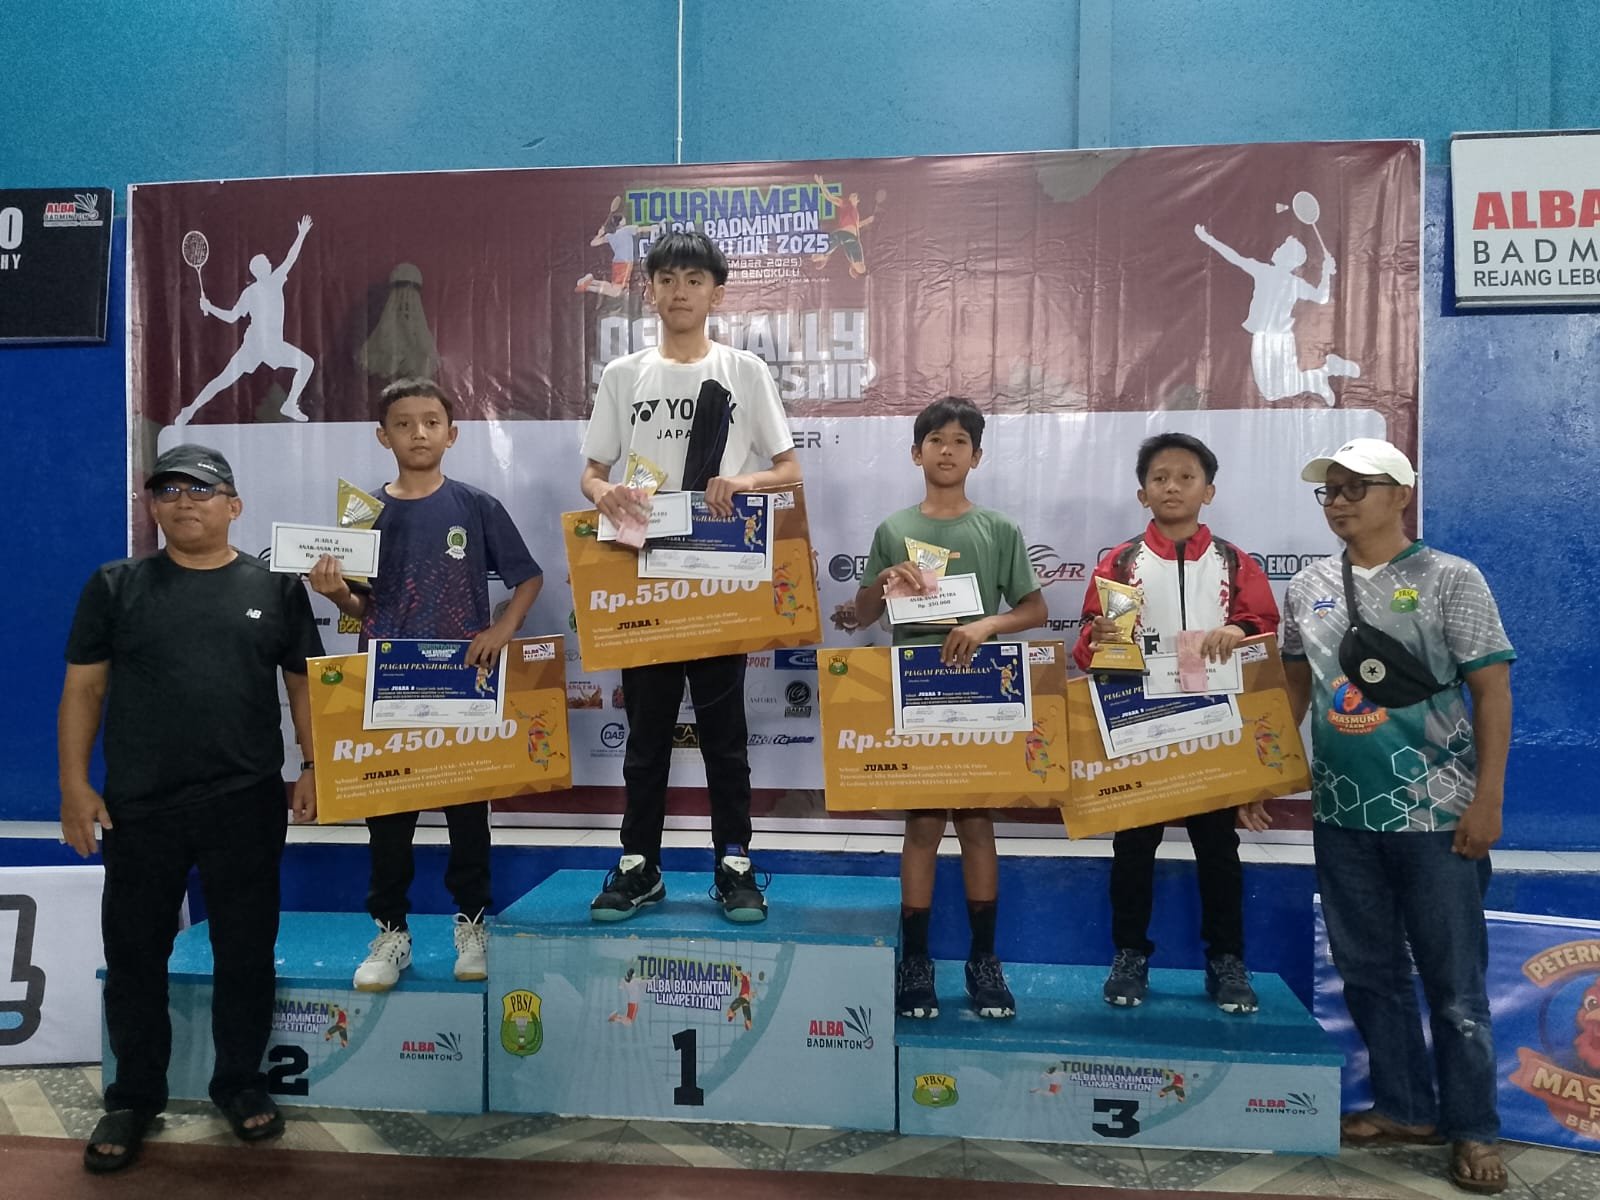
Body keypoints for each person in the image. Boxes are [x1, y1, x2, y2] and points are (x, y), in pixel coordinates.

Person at [58, 444, 322, 1173]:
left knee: (246, 950)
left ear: (234, 505)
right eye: (168, 491)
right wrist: (75, 786)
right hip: (139, 808)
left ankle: (239, 1083)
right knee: (135, 955)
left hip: (245, 801)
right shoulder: (115, 586)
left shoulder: (276, 588)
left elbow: (304, 685)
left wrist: (314, 766)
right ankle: (134, 1096)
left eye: (200, 490)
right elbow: (84, 688)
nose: (183, 502)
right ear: (152, 506)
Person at [1277, 437, 1513, 1196]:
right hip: (1343, 815)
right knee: (1369, 973)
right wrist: (1268, 771)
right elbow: (1292, 685)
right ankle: (1406, 1109)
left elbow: (1492, 691)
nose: (1339, 502)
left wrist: (1488, 799)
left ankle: (1474, 1127)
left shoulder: (1452, 578)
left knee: (1456, 987)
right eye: (1330, 490)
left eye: (1357, 487)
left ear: (1401, 495)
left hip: (1439, 817)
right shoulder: (1308, 586)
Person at [580, 230, 801, 923]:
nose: (680, 291)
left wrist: (742, 481)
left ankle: (734, 862)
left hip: (718, 580)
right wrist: (604, 494)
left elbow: (789, 470)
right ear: (650, 290)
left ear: (716, 293)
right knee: (645, 737)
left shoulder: (743, 371)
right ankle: (638, 864)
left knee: (724, 736)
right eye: (668, 279)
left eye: (694, 280)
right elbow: (592, 472)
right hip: (644, 573)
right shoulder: (624, 375)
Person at [310, 378, 543, 990]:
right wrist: (336, 594)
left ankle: (473, 926)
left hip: (463, 683)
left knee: (468, 818)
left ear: (452, 434)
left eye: (431, 422)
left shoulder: (476, 506)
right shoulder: (362, 513)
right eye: (404, 423)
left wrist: (502, 629)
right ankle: (391, 934)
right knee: (388, 822)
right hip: (387, 684)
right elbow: (360, 604)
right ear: (382, 435)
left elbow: (528, 578)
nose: (419, 433)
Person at [1072, 433, 1279, 1014]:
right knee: (1133, 847)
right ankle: (1129, 954)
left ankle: (1226, 960)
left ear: (1208, 491)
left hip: (1216, 726)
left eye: (1186, 477)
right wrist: (1106, 639)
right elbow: (1088, 648)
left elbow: (1264, 630)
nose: (1172, 487)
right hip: (1141, 726)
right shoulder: (1120, 564)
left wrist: (1238, 631)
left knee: (1219, 849)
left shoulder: (1234, 562)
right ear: (1143, 492)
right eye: (1160, 478)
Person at [854, 397, 1046, 1019]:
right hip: (915, 693)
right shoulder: (893, 529)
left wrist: (988, 624)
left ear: (977, 456)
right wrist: (884, 583)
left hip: (982, 693)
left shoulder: (998, 529)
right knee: (922, 828)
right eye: (936, 439)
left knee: (977, 826)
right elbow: (862, 614)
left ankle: (984, 960)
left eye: (960, 441)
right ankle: (916, 961)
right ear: (917, 453)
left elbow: (1034, 610)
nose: (947, 449)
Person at [1193, 222, 1360, 406]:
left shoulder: (1271, 274)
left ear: (1288, 258)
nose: (1276, 249)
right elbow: (1321, 297)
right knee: (1272, 393)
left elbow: (1235, 257)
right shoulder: (1280, 277)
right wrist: (1326, 273)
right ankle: (1323, 373)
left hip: (1277, 339)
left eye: (1281, 248)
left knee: (1273, 391)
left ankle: (1326, 372)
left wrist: (1208, 239)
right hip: (1268, 338)